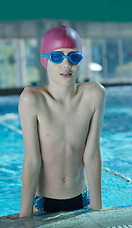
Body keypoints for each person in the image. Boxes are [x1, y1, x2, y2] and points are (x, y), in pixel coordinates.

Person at [19, 25, 106, 218]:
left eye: (74, 57)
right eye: (57, 57)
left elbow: (92, 153)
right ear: (44, 60)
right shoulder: (32, 98)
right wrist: (24, 216)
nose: (66, 64)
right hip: (44, 203)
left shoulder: (94, 94)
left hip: (81, 199)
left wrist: (97, 208)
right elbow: (33, 159)